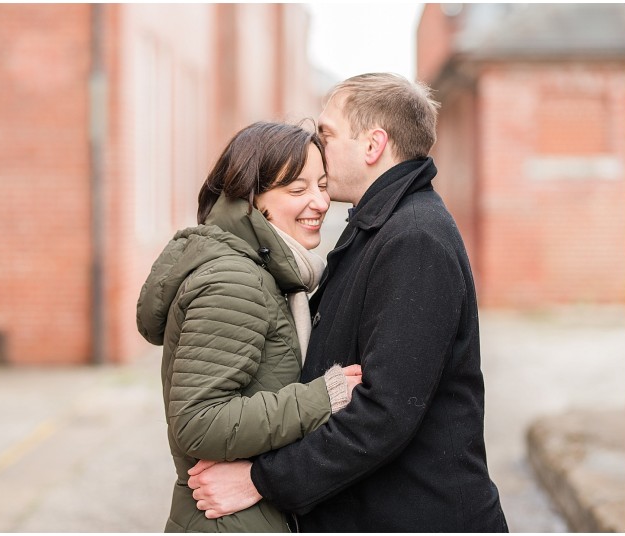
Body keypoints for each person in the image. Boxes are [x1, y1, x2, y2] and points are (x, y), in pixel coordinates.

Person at [187, 73, 509, 532]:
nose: (316, 147)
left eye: (327, 134)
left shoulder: (413, 238)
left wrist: (262, 480)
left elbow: (385, 413)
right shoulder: (380, 226)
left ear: (373, 145)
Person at [136, 121, 362, 532]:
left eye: (322, 185)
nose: (319, 202)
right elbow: (197, 421)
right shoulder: (236, 280)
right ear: (254, 201)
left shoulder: (270, 274)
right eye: (297, 190)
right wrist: (321, 398)